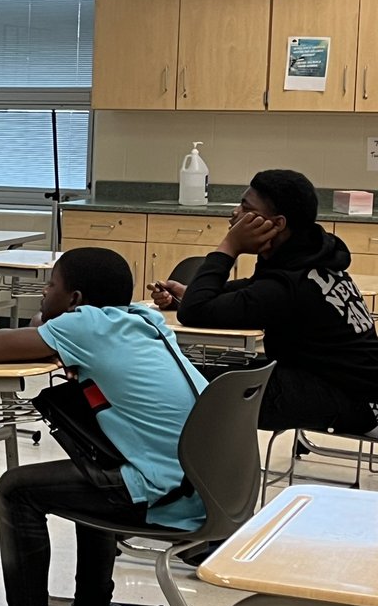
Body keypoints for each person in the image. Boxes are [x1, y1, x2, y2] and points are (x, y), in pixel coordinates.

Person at [0, 247, 207, 606]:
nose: (44, 292)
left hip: (164, 494)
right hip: (206, 486)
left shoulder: (82, 324)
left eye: (51, 286)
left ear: (75, 299)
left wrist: (46, 322)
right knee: (96, 464)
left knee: (17, 489)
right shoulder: (146, 320)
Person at [151, 169, 378, 435]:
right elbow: (250, 291)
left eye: (245, 206)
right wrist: (189, 292)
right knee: (195, 376)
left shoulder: (289, 285)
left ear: (277, 224)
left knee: (186, 386)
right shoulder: (309, 261)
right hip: (342, 386)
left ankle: (194, 467)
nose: (234, 213)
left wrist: (229, 247)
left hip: (349, 400)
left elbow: (196, 312)